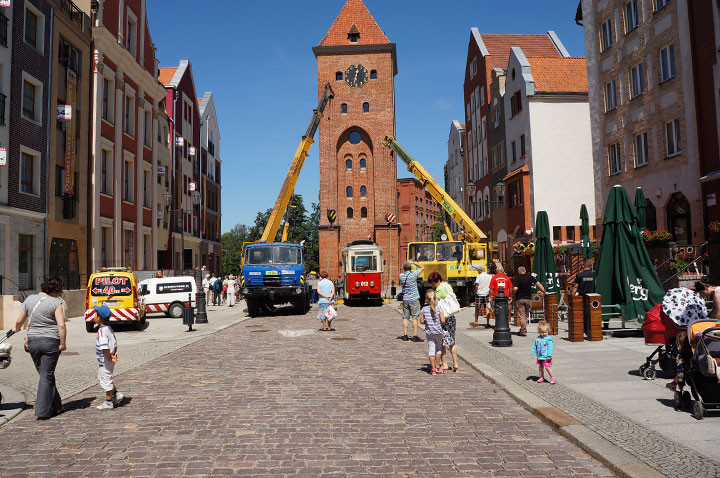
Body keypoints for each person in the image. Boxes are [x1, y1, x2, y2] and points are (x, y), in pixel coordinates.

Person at [12, 278, 67, 419]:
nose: (60, 294)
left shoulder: (30, 299)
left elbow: (19, 321)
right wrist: (62, 343)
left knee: (45, 375)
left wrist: (16, 328)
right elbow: (61, 325)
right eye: (60, 291)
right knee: (46, 376)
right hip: (50, 342)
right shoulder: (56, 302)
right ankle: (42, 412)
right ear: (55, 291)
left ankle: (57, 405)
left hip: (33, 342)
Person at [93, 305, 123, 410]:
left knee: (106, 379)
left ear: (99, 317)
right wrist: (115, 353)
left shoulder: (101, 331)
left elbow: (105, 346)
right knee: (104, 378)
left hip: (105, 360)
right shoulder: (108, 328)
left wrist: (109, 357)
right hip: (109, 358)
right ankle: (116, 394)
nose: (93, 316)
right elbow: (114, 341)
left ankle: (109, 402)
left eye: (95, 314)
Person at [429, 272, 459, 372]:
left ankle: (444, 364)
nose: (432, 286)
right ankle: (455, 363)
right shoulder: (447, 285)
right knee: (452, 341)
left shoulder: (439, 289)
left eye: (433, 284)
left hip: (443, 318)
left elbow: (435, 303)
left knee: (441, 342)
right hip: (451, 317)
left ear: (437, 281)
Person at [513, 266, 546, 337]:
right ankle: (523, 329)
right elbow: (538, 284)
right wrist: (544, 291)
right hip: (528, 299)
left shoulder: (518, 278)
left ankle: (523, 331)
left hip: (520, 299)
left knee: (522, 316)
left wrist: (513, 292)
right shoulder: (530, 277)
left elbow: (515, 288)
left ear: (519, 271)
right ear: (525, 270)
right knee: (526, 315)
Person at [420, 290, 445, 375]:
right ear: (435, 298)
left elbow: (421, 321)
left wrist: (427, 322)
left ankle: (433, 369)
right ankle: (437, 366)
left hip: (429, 332)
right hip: (438, 332)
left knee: (431, 350)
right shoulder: (439, 308)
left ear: (426, 300)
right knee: (438, 349)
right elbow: (443, 320)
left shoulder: (424, 309)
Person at [399, 261, 425, 342]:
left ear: (403, 268)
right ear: (410, 268)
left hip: (405, 299)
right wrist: (414, 263)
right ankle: (415, 336)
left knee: (405, 317)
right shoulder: (413, 275)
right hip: (414, 299)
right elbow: (422, 267)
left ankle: (405, 335)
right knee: (415, 318)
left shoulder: (401, 276)